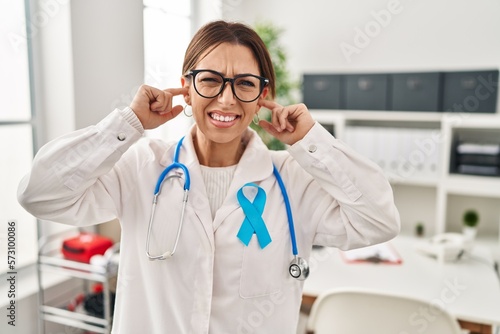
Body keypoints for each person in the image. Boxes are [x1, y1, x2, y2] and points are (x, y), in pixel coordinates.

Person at [18, 20, 400, 333]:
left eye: (245, 84)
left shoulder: (293, 182)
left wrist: (312, 142)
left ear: (264, 95)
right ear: (186, 86)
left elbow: (379, 220)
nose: (227, 99)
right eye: (210, 79)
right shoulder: (142, 168)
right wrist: (127, 124)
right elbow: (39, 194)